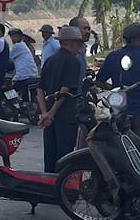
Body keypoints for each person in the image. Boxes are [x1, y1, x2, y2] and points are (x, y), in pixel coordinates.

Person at [95, 23, 140, 146]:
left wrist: (113, 88)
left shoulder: (113, 56)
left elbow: (99, 81)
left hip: (118, 114)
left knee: (122, 150)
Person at [36, 25, 82, 173]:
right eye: (79, 44)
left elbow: (39, 88)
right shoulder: (73, 62)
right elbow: (65, 90)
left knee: (50, 154)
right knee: (65, 156)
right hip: (65, 116)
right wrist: (52, 113)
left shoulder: (50, 60)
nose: (79, 48)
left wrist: (45, 113)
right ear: (72, 43)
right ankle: (63, 189)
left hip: (49, 117)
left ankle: (48, 186)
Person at [8, 28, 39, 102]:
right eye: (12, 36)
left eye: (16, 36)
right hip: (32, 74)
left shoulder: (18, 46)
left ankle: (15, 105)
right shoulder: (24, 46)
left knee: (9, 89)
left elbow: (8, 59)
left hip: (23, 75)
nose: (14, 38)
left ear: (20, 37)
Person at [69, 16, 92, 88]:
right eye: (84, 28)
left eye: (89, 29)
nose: (88, 32)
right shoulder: (69, 52)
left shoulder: (83, 49)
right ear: (74, 30)